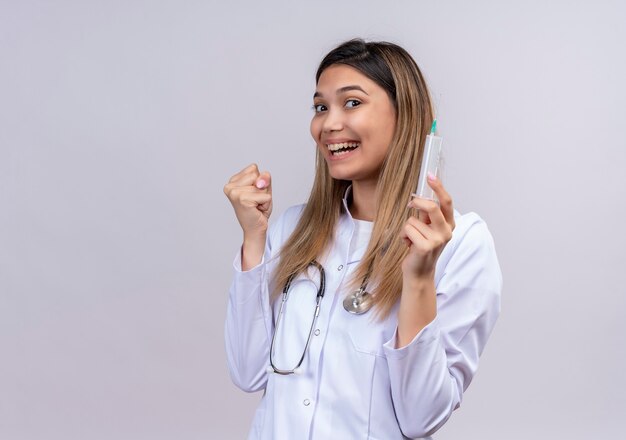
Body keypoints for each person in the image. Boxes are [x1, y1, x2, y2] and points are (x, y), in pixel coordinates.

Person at [223, 38, 502, 440]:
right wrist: (254, 238)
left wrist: (419, 278)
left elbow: (420, 418)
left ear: (407, 115)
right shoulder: (291, 228)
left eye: (352, 103)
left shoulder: (461, 244)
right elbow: (248, 372)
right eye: (321, 107)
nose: (329, 124)